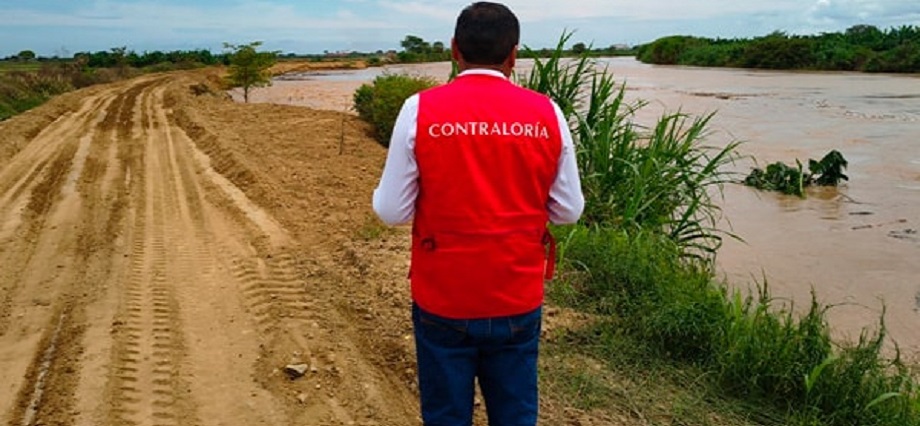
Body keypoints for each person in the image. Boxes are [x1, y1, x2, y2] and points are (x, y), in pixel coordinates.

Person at [372, 2, 584, 424]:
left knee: (446, 414)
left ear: (454, 49)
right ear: (513, 56)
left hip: (444, 296)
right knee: (515, 413)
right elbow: (568, 211)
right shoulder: (548, 112)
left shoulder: (419, 110)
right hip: (516, 294)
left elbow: (392, 210)